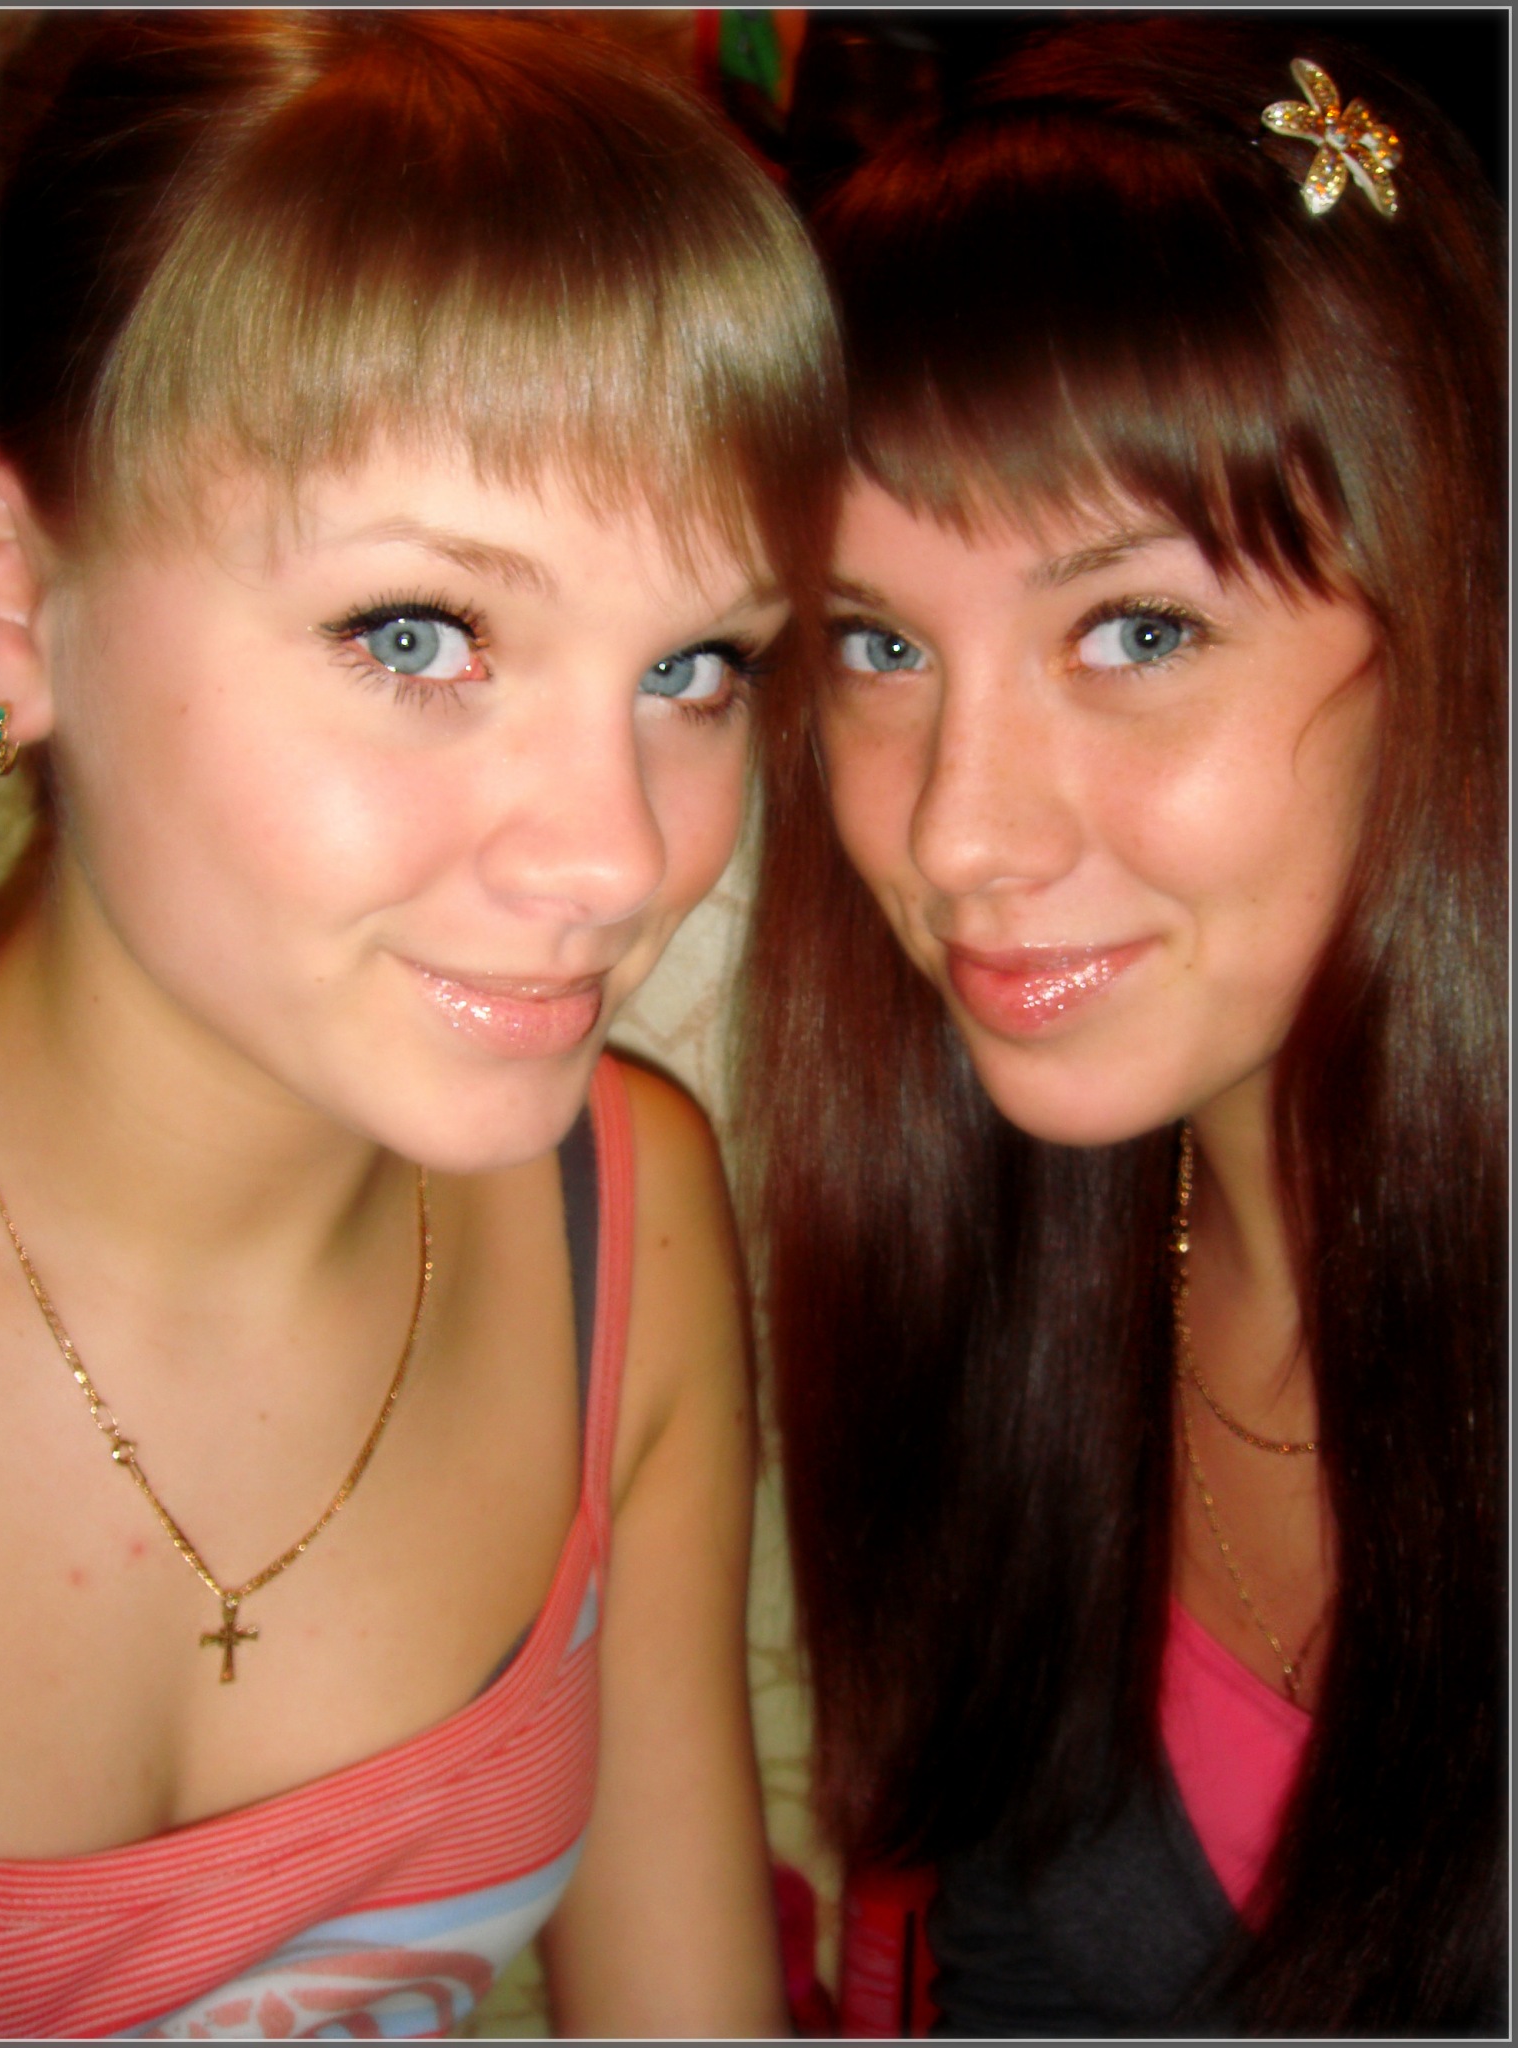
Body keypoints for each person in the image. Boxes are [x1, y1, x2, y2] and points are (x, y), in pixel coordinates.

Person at [0, 11, 843, 2038]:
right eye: (420, 633)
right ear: (14, 600)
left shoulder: (622, 1217)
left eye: (694, 667)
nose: (617, 859)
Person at [740, 14, 1505, 2035]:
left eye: (1135, 630)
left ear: (1448, 621)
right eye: (877, 645)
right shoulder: (1036, 1246)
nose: (954, 833)